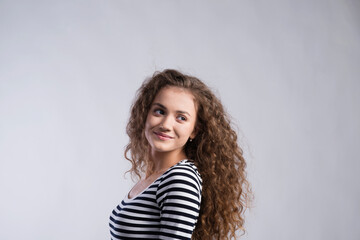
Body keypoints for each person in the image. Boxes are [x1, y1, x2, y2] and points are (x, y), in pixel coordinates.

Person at [109, 69, 252, 240]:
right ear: (145, 114)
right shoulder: (156, 178)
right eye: (159, 111)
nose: (166, 124)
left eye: (181, 118)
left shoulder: (180, 180)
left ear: (194, 131)